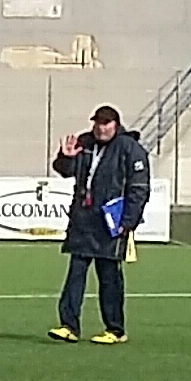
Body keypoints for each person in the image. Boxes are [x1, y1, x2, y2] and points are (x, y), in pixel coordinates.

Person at [47, 105, 150, 344]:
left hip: (110, 221)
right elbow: (65, 171)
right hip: (84, 220)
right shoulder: (85, 142)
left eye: (106, 123)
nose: (100, 128)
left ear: (116, 124)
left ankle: (115, 329)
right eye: (97, 123)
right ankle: (69, 326)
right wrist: (64, 157)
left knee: (109, 276)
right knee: (75, 274)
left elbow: (139, 189)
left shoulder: (130, 149)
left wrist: (128, 221)